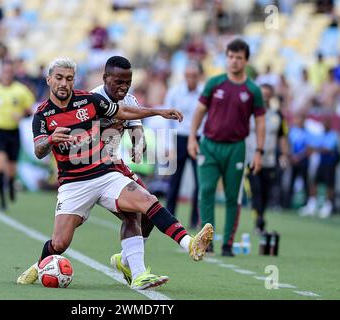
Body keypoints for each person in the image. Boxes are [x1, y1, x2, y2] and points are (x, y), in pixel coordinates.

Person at [17, 58, 214, 289]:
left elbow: (124, 111)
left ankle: (186, 244)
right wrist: (50, 140)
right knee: (59, 243)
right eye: (59, 78)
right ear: (49, 79)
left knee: (146, 202)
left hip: (106, 172)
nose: (64, 83)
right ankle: (41, 265)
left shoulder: (89, 100)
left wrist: (158, 112)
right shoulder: (42, 114)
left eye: (69, 78)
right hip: (73, 184)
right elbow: (39, 150)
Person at [187, 39, 266, 257]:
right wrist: (192, 137)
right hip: (209, 145)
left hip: (236, 148)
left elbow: (260, 122)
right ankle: (206, 241)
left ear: (246, 60)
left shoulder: (253, 90)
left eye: (238, 57)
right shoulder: (215, 83)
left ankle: (228, 244)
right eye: (230, 56)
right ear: (226, 58)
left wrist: (259, 151)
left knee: (233, 196)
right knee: (207, 191)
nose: (234, 61)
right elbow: (199, 111)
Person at [91, 56, 163, 287]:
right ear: (105, 79)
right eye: (118, 81)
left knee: (148, 212)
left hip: (113, 169)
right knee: (61, 240)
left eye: (128, 81)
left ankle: (127, 261)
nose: (124, 86)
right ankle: (42, 264)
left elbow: (136, 130)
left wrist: (139, 145)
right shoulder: (91, 100)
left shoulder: (129, 100)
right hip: (88, 173)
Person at [0, 60, 35, 211]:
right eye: (4, 72)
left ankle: (10, 183)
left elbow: (30, 110)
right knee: (0, 166)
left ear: (13, 73)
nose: (7, 75)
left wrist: (22, 115)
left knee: (11, 169)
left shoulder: (21, 90)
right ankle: (2, 200)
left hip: (13, 132)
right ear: (0, 73)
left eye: (10, 72)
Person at [164, 61, 205, 228]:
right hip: (179, 138)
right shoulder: (175, 92)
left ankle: (195, 220)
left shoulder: (203, 93)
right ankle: (169, 218)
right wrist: (169, 145)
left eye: (194, 76)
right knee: (175, 181)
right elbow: (167, 119)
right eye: (188, 76)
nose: (191, 79)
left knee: (199, 181)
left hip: (198, 138)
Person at [246, 84, 289, 233]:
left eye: (267, 94)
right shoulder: (248, 113)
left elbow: (282, 136)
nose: (264, 97)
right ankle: (258, 220)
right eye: (262, 94)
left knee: (265, 192)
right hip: (250, 159)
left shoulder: (277, 115)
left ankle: (260, 216)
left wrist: (284, 154)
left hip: (269, 160)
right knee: (255, 190)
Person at [300, 118, 339, 218]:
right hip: (321, 164)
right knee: (314, 183)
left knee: (329, 186)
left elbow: (327, 149)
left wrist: (316, 149)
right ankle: (312, 205)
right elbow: (314, 146)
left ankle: (327, 207)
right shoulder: (322, 135)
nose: (324, 126)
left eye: (326, 124)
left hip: (330, 164)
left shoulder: (333, 135)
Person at [285, 113, 311, 210]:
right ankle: (287, 204)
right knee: (291, 182)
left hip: (303, 162)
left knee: (305, 183)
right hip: (293, 161)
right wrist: (291, 156)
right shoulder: (292, 131)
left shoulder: (307, 132)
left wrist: (298, 157)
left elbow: (308, 148)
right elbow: (287, 144)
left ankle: (306, 204)